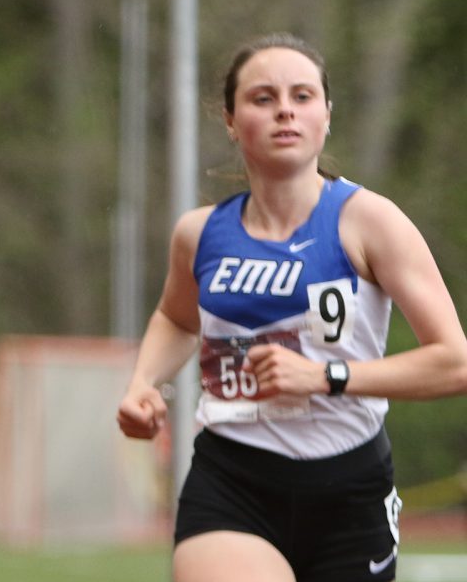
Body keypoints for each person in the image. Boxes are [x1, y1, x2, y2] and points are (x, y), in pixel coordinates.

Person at [116, 34, 467, 582]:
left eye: (302, 96)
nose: (285, 109)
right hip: (233, 479)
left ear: (326, 115)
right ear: (231, 120)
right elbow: (178, 319)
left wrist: (326, 376)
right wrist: (143, 382)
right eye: (263, 97)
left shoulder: (370, 222)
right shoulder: (200, 234)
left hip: (348, 487)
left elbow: (454, 362)